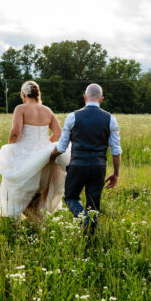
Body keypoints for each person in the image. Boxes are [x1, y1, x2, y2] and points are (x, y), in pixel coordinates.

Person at [49, 83, 121, 234]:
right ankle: (91, 240)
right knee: (93, 205)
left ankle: (84, 220)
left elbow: (62, 147)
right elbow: (116, 150)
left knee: (70, 197)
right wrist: (116, 173)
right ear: (101, 99)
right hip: (99, 167)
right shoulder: (110, 119)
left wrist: (50, 158)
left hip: (77, 166)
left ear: (84, 97)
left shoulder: (72, 116)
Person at [0, 81, 71, 221]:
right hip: (44, 157)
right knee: (37, 195)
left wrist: (11, 148)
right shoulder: (47, 110)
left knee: (20, 194)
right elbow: (59, 134)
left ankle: (37, 227)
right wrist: (45, 145)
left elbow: (15, 131)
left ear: (23, 94)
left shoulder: (21, 108)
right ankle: (36, 226)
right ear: (38, 94)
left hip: (26, 156)